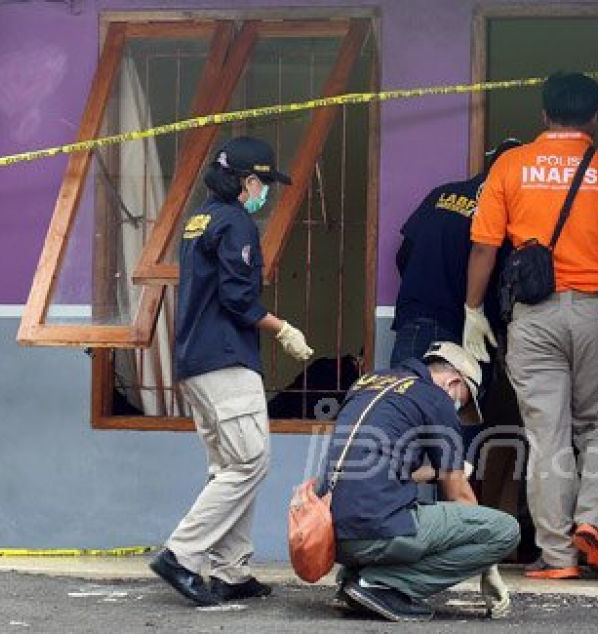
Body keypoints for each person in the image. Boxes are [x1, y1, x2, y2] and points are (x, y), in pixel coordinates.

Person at [464, 72, 598, 580]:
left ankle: (558, 554)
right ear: (597, 117)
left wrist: (473, 310)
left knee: (547, 436)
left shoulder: (510, 167)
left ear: (543, 115)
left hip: (533, 317)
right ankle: (596, 521)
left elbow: (484, 247)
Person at [149, 136, 315, 606]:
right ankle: (181, 556)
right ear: (247, 181)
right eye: (264, 183)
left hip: (196, 362)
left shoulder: (199, 220)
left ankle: (231, 570)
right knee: (248, 463)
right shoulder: (236, 223)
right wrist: (283, 328)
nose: (267, 192)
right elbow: (239, 299)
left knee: (230, 466)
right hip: (225, 359)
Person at [327, 341, 519, 622]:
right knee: (505, 530)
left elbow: (379, 467)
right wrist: (489, 567)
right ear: (453, 382)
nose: (456, 410)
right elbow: (460, 498)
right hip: (376, 531)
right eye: (463, 401)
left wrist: (438, 471)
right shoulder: (436, 398)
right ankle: (381, 585)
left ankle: (358, 580)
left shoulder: (368, 383)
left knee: (412, 505)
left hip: (336, 536)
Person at [390, 138, 523, 367]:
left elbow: (403, 255)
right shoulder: (503, 212)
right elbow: (504, 280)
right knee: (459, 401)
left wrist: (426, 293)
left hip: (416, 317)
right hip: (468, 329)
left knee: (408, 397)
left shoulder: (441, 194)